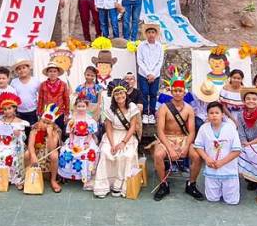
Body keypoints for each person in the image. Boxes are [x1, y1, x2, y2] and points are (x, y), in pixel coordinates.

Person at [151, 70, 205, 201]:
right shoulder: (164, 108)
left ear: (184, 92)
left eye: (180, 90)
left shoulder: (189, 109)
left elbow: (192, 131)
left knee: (197, 156)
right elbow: (160, 131)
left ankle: (191, 184)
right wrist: (169, 148)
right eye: (175, 90)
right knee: (158, 155)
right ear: (171, 91)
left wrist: (186, 148)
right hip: (166, 138)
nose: (177, 93)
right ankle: (164, 184)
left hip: (183, 138)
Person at [93, 79, 140, 198]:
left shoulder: (132, 107)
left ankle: (119, 186)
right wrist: (113, 144)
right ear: (113, 96)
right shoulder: (109, 109)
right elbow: (108, 128)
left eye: (121, 93)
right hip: (112, 135)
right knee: (105, 152)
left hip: (127, 136)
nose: (119, 96)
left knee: (126, 155)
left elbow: (133, 127)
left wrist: (123, 143)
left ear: (126, 94)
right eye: (116, 94)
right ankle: (104, 186)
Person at [194, 102, 243, 205]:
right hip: (212, 168)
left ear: (222, 114)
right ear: (207, 115)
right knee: (212, 198)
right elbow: (198, 146)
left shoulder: (231, 128)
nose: (214, 115)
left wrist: (221, 162)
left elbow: (237, 150)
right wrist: (206, 158)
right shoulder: (204, 128)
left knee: (232, 201)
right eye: (211, 113)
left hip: (228, 169)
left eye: (217, 112)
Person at [0, 92, 30, 190]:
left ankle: (16, 179)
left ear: (14, 108)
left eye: (9, 108)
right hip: (2, 145)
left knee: (10, 155)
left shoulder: (20, 122)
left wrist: (19, 134)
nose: (7, 111)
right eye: (5, 109)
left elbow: (24, 138)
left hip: (15, 145)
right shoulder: (0, 121)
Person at [58, 98, 100, 189]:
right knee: (66, 151)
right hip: (75, 139)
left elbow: (90, 133)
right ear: (76, 107)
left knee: (89, 152)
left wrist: (87, 142)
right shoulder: (72, 120)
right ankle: (67, 175)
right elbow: (71, 133)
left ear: (87, 107)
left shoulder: (90, 120)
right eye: (79, 106)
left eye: (83, 106)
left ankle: (87, 175)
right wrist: (71, 142)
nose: (81, 108)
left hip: (86, 140)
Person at [235, 87, 257, 192]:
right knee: (243, 155)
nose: (251, 101)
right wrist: (244, 142)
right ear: (244, 101)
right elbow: (240, 130)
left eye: (254, 99)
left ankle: (255, 179)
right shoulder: (240, 115)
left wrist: (251, 143)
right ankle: (247, 176)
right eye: (248, 98)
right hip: (245, 141)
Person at [27, 104, 64, 193]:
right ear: (40, 121)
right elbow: (30, 145)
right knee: (27, 154)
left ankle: (53, 180)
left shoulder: (55, 131)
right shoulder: (35, 129)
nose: (45, 125)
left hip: (48, 152)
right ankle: (28, 177)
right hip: (37, 151)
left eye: (48, 123)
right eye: (44, 122)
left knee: (54, 155)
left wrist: (50, 134)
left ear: (52, 124)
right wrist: (33, 156)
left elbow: (52, 148)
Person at [137, 23, 164, 124]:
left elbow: (160, 61)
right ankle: (145, 113)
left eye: (153, 32)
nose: (151, 34)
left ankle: (152, 114)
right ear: (146, 34)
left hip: (155, 74)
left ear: (156, 34)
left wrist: (153, 73)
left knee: (153, 94)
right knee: (144, 93)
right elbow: (140, 61)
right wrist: (148, 73)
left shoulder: (159, 46)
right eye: (149, 32)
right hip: (144, 74)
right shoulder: (141, 45)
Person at [37, 61, 70, 134]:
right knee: (47, 132)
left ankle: (59, 144)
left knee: (58, 131)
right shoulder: (43, 85)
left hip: (59, 113)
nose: (52, 73)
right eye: (50, 71)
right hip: (46, 113)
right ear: (47, 73)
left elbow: (66, 99)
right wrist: (39, 113)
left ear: (58, 73)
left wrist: (67, 113)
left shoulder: (63, 84)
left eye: (55, 71)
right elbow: (40, 99)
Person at [10, 59, 41, 125]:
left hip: (33, 111)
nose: (22, 70)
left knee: (32, 131)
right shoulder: (14, 82)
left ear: (29, 68)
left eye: (24, 68)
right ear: (16, 71)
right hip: (19, 112)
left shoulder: (35, 81)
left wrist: (40, 109)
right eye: (19, 69)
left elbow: (41, 95)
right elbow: (11, 97)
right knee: (20, 131)